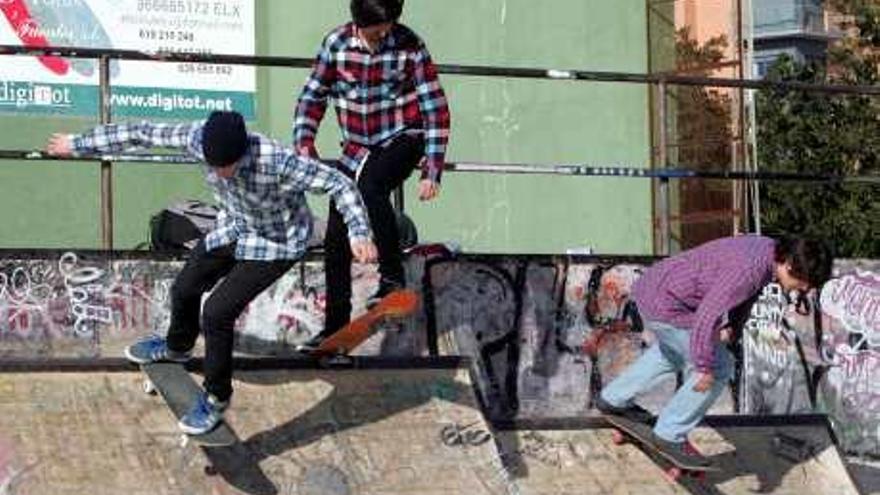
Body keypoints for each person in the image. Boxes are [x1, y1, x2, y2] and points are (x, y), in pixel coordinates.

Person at [46, 110, 377, 434]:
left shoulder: (277, 160)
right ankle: (178, 347)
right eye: (213, 166)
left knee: (217, 312)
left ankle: (217, 398)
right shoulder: (196, 138)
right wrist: (77, 143)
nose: (219, 174)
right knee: (184, 288)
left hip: (277, 244)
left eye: (226, 167)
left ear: (242, 153)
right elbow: (139, 132)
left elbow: (340, 184)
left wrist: (358, 232)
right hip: (233, 227)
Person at [292, 0, 451, 351]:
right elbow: (311, 97)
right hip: (356, 148)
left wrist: (433, 168)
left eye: (389, 27)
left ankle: (392, 278)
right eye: (377, 30)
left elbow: (435, 109)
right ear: (357, 23)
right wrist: (305, 142)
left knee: (369, 187)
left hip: (404, 138)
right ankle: (334, 326)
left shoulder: (410, 45)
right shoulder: (335, 44)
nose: (384, 35)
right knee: (336, 232)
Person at [596, 235, 832, 464]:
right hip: (670, 305)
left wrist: (735, 328)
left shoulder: (767, 250)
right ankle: (669, 432)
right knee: (720, 366)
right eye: (801, 284)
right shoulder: (748, 271)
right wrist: (704, 367)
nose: (799, 290)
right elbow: (706, 316)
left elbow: (749, 295)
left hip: (655, 289)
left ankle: (613, 398)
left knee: (673, 352)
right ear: (789, 265)